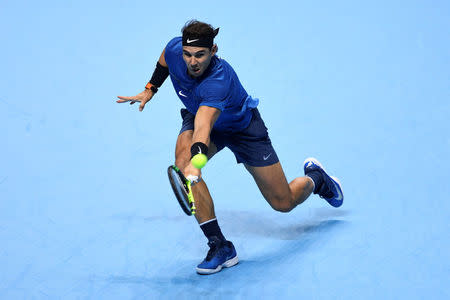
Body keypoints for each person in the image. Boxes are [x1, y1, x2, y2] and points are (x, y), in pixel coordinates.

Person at [117, 20, 344, 275]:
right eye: (188, 54)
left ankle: (317, 179)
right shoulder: (174, 50)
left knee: (283, 202)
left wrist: (198, 161)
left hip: (242, 128)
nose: (192, 62)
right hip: (198, 114)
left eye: (200, 55)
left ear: (213, 50)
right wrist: (150, 89)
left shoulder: (218, 80)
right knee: (182, 162)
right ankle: (219, 245)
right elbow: (164, 60)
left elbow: (204, 125)